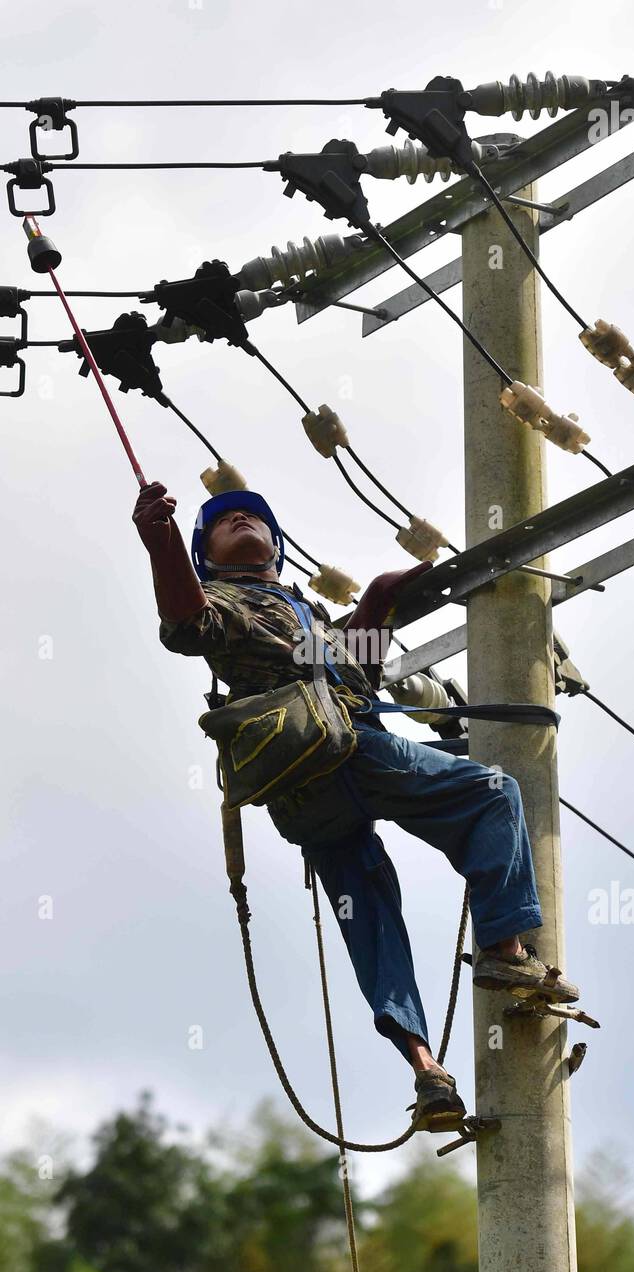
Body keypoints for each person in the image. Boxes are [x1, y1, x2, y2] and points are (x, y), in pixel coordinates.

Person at [133, 480, 579, 1133]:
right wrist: (162, 540)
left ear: (276, 549)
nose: (238, 518)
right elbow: (186, 622)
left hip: (308, 798)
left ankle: (427, 1070)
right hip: (349, 756)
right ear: (210, 557)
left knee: (371, 923)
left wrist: (376, 600)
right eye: (224, 523)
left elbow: (355, 673)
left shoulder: (304, 613)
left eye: (251, 515)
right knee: (493, 794)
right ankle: (507, 951)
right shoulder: (227, 603)